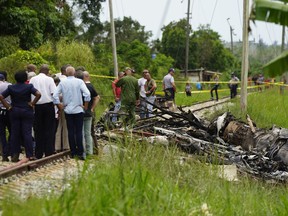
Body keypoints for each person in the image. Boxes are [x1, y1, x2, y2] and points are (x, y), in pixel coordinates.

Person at [0, 70, 41, 162]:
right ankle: (29, 155)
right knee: (27, 133)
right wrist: (32, 103)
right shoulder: (29, 86)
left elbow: (1, 97)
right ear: (25, 78)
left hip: (14, 111)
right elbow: (38, 94)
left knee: (15, 133)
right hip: (26, 111)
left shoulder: (11, 87)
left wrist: (8, 107)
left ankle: (15, 154)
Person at [53, 66, 90, 160]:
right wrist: (85, 106)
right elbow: (87, 94)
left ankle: (73, 152)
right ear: (74, 73)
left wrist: (59, 105)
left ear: (65, 72)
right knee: (78, 131)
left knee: (70, 131)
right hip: (78, 109)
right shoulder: (79, 82)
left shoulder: (63, 82)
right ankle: (80, 153)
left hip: (68, 110)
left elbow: (55, 95)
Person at [29, 64, 57, 159]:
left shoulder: (33, 79)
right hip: (48, 106)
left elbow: (30, 92)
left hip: (37, 106)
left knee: (38, 130)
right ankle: (48, 151)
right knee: (49, 129)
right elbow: (54, 93)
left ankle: (38, 153)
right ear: (47, 71)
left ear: (39, 70)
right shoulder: (50, 79)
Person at [82, 71, 100, 156]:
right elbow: (97, 97)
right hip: (89, 112)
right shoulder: (90, 86)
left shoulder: (80, 86)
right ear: (88, 77)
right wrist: (92, 108)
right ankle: (90, 152)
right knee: (88, 133)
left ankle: (83, 151)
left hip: (80, 112)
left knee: (81, 132)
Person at [54, 64, 70, 152]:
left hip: (57, 106)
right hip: (65, 105)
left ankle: (57, 146)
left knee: (59, 126)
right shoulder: (65, 80)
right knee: (66, 126)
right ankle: (66, 146)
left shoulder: (57, 77)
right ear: (65, 71)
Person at [0, 72, 11, 161]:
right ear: (4, 79)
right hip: (9, 110)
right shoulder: (9, 85)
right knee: (12, 131)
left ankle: (4, 153)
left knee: (2, 133)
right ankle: (10, 151)